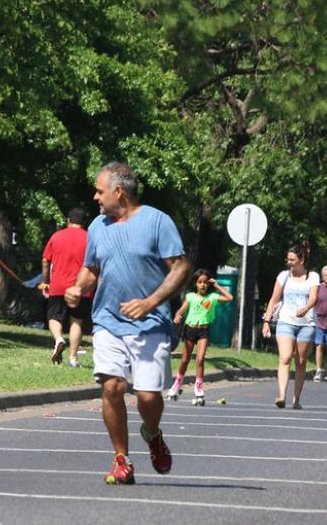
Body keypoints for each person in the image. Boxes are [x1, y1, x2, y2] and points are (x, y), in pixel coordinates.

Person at [64, 162, 189, 485]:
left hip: (152, 324)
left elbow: (180, 268)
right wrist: (79, 287)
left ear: (119, 192)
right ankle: (121, 458)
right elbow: (91, 267)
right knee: (112, 386)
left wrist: (150, 302)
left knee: (148, 396)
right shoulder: (96, 227)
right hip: (107, 321)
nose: (95, 197)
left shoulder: (158, 222)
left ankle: (152, 434)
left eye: (100, 190)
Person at [261, 243, 319, 409]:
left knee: (300, 361)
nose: (289, 262)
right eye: (288, 259)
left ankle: (296, 399)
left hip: (306, 324)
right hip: (286, 321)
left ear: (302, 259)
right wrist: (266, 321)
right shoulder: (283, 276)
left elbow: (314, 298)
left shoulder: (313, 277)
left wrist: (306, 308)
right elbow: (274, 299)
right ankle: (281, 395)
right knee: (285, 357)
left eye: (292, 259)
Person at [39, 208, 92, 367]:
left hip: (58, 285)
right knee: (76, 322)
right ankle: (73, 358)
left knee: (54, 317)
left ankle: (58, 339)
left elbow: (45, 261)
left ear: (68, 220)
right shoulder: (90, 238)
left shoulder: (56, 236)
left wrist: (46, 281)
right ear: (85, 222)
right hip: (81, 287)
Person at [169, 269, 234, 401]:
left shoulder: (212, 297)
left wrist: (217, 285)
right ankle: (177, 383)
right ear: (196, 284)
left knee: (200, 359)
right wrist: (177, 316)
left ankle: (198, 386)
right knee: (185, 360)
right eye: (199, 282)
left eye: (205, 282)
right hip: (190, 330)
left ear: (208, 284)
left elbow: (230, 298)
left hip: (203, 331)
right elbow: (181, 310)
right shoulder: (190, 296)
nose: (202, 284)